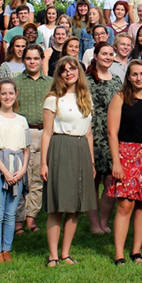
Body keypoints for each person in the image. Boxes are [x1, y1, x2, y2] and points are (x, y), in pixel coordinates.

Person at [107, 60, 142, 265]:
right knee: (125, 205)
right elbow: (112, 132)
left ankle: (136, 251)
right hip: (126, 154)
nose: (138, 78)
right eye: (134, 74)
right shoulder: (120, 98)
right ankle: (119, 254)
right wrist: (116, 162)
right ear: (128, 77)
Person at [41, 57, 96, 267]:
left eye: (72, 69)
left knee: (75, 206)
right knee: (57, 205)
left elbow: (89, 133)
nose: (68, 73)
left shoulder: (86, 98)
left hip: (81, 149)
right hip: (60, 149)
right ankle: (53, 255)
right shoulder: (53, 99)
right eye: (64, 70)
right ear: (59, 74)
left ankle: (66, 253)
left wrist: (90, 162)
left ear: (78, 71)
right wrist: (44, 163)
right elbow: (46, 133)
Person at [0, 79, 31, 264]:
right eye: (3, 93)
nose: (7, 97)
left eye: (11, 93)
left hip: (17, 168)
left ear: (16, 94)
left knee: (11, 213)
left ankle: (7, 248)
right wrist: (5, 172)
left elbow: (26, 148)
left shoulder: (22, 120)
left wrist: (23, 169)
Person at [13, 45, 53, 234]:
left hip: (43, 133)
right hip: (22, 133)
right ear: (23, 60)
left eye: (36, 58)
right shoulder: (16, 82)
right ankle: (18, 219)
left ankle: (31, 218)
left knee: (38, 177)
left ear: (42, 59)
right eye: (29, 58)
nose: (32, 62)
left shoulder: (51, 83)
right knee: (21, 178)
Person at [88, 43, 123, 235]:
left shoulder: (117, 80)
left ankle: (104, 221)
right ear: (95, 55)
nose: (108, 57)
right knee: (93, 181)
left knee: (111, 180)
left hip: (112, 135)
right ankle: (94, 224)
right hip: (92, 134)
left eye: (111, 54)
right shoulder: (86, 80)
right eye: (104, 54)